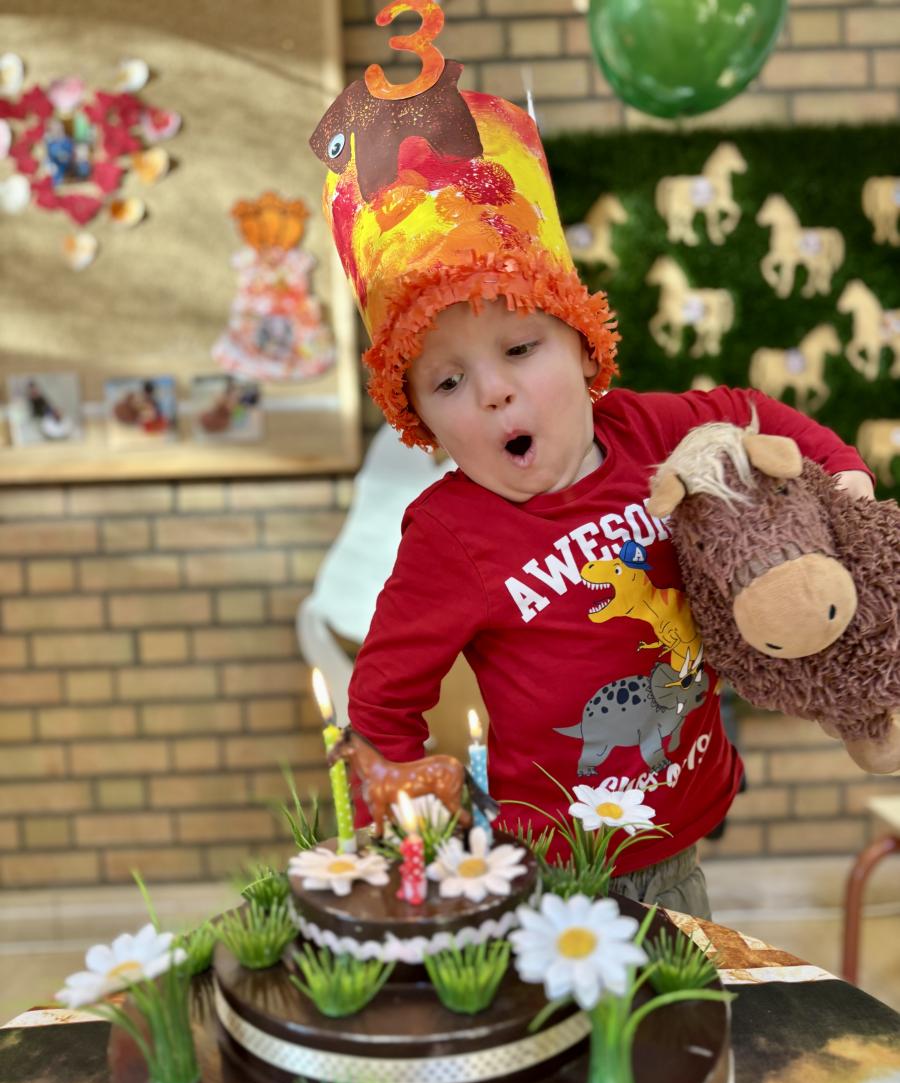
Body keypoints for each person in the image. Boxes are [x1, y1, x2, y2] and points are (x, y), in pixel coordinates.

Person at [308, 8, 873, 919]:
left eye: (520, 350)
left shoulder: (648, 430)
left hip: (683, 828)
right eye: (449, 381)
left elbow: (753, 410)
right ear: (423, 421)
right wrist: (402, 805)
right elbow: (382, 699)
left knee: (682, 989)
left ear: (583, 348)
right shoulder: (450, 534)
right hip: (554, 870)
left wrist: (842, 477)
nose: (494, 393)